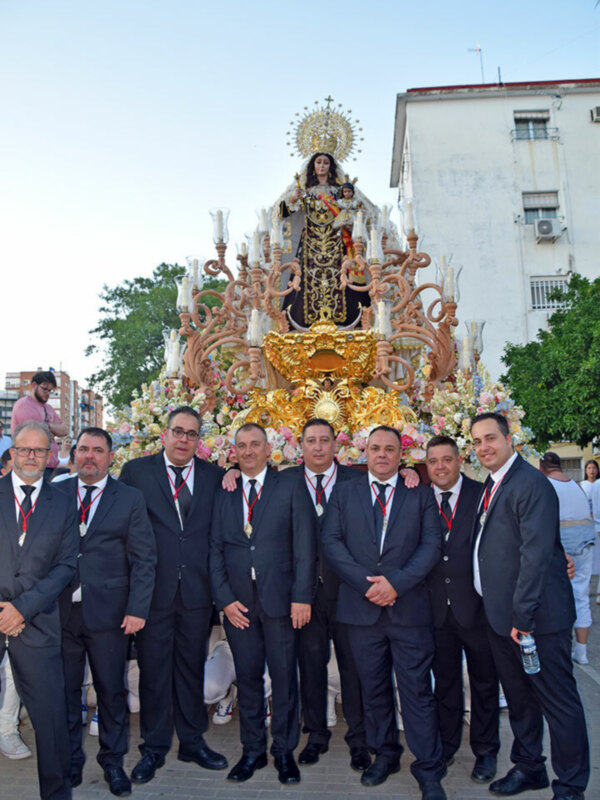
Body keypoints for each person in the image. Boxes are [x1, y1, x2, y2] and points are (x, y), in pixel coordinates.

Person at [322, 426, 447, 800]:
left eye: (389, 449)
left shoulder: (420, 493)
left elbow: (430, 545)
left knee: (417, 693)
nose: (381, 455)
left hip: (408, 610)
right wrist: (368, 585)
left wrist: (395, 584)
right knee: (372, 689)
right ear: (366, 452)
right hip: (361, 612)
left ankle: (428, 769)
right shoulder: (344, 493)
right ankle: (386, 754)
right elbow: (331, 541)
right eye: (375, 448)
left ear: (400, 455)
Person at [470, 412, 589, 800]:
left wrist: (523, 617)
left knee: (558, 703)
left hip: (536, 620)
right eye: (476, 441)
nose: (484, 447)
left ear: (509, 441)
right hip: (504, 619)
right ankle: (529, 767)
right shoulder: (492, 484)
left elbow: (535, 555)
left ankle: (570, 785)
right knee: (520, 700)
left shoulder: (530, 483)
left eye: (490, 438)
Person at [119, 406, 227, 784]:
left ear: (200, 439)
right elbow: (124, 532)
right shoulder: (136, 472)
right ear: (165, 434)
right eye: (178, 432)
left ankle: (193, 741)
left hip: (197, 592)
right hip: (153, 592)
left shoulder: (215, 477)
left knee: (190, 668)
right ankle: (153, 747)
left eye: (191, 434)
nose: (184, 439)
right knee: (152, 672)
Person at [209, 423, 315, 785]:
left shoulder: (290, 485)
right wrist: (224, 600)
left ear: (269, 450)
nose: (249, 451)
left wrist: (302, 596)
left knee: (285, 678)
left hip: (281, 601)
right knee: (248, 678)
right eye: (242, 445)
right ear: (234, 451)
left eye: (256, 445)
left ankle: (284, 752)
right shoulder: (223, 491)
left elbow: (304, 545)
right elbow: (214, 550)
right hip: (239, 603)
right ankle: (252, 750)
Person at [56, 427, 156, 796]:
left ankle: (113, 763)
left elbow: (145, 559)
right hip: (61, 614)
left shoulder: (129, 498)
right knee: (66, 694)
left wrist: (137, 609)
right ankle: (69, 764)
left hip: (111, 616)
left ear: (111, 457)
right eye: (83, 449)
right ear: (73, 453)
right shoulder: (55, 493)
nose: (89, 456)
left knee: (112, 693)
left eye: (98, 450)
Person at [280, 418, 369, 771]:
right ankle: (316, 734)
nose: (318, 447)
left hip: (348, 592)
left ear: (337, 445)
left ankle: (359, 739)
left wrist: (410, 475)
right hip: (303, 595)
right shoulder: (282, 481)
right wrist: (229, 474)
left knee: (354, 667)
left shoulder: (357, 481)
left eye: (324, 441)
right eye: (310, 441)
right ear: (299, 446)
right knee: (311, 666)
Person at [0, 420, 78, 799]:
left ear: (50, 457)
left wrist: (21, 609)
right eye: (24, 449)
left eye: (39, 450)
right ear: (12, 452)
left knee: (50, 723)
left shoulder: (63, 503)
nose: (31, 456)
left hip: (37, 622)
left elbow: (66, 567)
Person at [424, 435, 499, 783]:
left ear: (459, 461)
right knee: (446, 685)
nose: (440, 466)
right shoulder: (420, 497)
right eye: (433, 461)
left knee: (484, 683)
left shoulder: (481, 494)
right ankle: (446, 748)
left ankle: (486, 751)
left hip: (477, 609)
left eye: (446, 459)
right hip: (436, 612)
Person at [279, 152, 370, 328]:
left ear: (331, 167)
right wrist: (293, 199)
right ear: (312, 166)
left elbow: (359, 211)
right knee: (304, 283)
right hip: (310, 245)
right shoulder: (304, 191)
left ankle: (350, 323)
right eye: (318, 162)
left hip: (336, 243)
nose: (321, 166)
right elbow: (282, 213)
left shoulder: (340, 192)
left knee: (343, 280)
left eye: (325, 162)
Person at [539, 451, 595, 665]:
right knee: (581, 596)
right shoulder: (577, 486)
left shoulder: (547, 486)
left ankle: (561, 650)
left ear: (542, 467)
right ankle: (581, 652)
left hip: (564, 546)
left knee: (559, 598)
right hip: (586, 543)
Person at [11, 371, 69, 476]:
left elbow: (64, 430)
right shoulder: (24, 405)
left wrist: (48, 426)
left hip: (51, 466)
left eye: (50, 390)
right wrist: (53, 429)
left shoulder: (48, 408)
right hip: (33, 466)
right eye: (44, 389)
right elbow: (38, 435)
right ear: (34, 385)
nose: (47, 393)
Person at [580, 459, 600, 605]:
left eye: (594, 468)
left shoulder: (598, 485)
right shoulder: (582, 485)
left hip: (597, 525)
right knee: (588, 558)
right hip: (587, 525)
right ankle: (585, 589)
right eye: (589, 468)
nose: (592, 471)